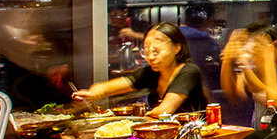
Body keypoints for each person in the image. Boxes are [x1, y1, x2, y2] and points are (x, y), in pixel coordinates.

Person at [70, 23, 205, 116]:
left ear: (177, 48)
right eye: (146, 51)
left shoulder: (189, 71)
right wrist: (91, 94)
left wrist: (136, 121)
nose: (150, 57)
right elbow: (106, 88)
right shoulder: (151, 73)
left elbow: (165, 111)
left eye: (156, 51)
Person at [220, 21, 277, 127]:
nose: (250, 51)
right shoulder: (252, 69)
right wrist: (227, 60)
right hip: (259, 130)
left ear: (272, 46)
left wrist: (264, 61)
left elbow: (276, 102)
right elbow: (234, 95)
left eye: (255, 45)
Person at [180, 3, 224, 99]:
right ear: (210, 19)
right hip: (193, 88)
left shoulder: (176, 32)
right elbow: (221, 60)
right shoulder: (204, 38)